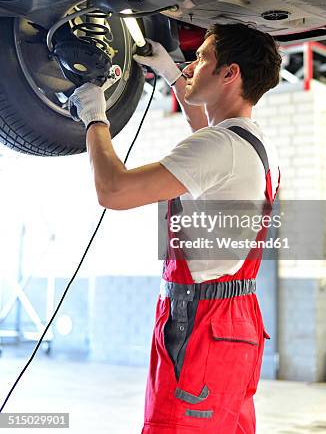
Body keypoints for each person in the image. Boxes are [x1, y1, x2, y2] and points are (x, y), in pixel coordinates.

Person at [68, 22, 282, 433]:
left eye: (202, 58)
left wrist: (94, 115)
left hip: (199, 322)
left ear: (230, 73)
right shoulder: (254, 144)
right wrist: (170, 76)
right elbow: (206, 140)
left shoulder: (221, 147)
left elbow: (113, 190)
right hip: (236, 323)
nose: (192, 65)